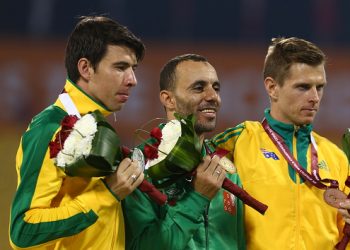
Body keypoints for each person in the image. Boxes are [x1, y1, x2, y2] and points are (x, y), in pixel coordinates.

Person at [211, 37, 350, 249]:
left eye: (320, 87)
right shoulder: (238, 143)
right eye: (303, 87)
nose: (315, 97)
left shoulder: (335, 158)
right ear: (272, 88)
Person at [9, 16, 146, 249]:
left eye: (133, 69)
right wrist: (107, 193)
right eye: (120, 67)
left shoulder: (95, 125)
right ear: (85, 68)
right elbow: (23, 231)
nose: (132, 80)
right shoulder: (50, 128)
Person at [123, 54, 245, 249]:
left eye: (216, 88)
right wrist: (197, 197)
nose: (212, 96)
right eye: (199, 88)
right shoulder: (138, 167)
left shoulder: (225, 166)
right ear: (168, 99)